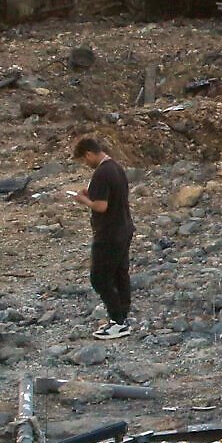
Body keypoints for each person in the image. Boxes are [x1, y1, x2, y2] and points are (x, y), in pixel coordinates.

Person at [70, 137, 135, 340]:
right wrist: (92, 193)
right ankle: (122, 316)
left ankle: (117, 321)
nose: (85, 164)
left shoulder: (101, 173)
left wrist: (83, 200)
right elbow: (112, 195)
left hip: (109, 233)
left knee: (99, 278)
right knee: (120, 273)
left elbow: (101, 206)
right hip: (124, 228)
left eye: (83, 160)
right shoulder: (115, 167)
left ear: (89, 154)